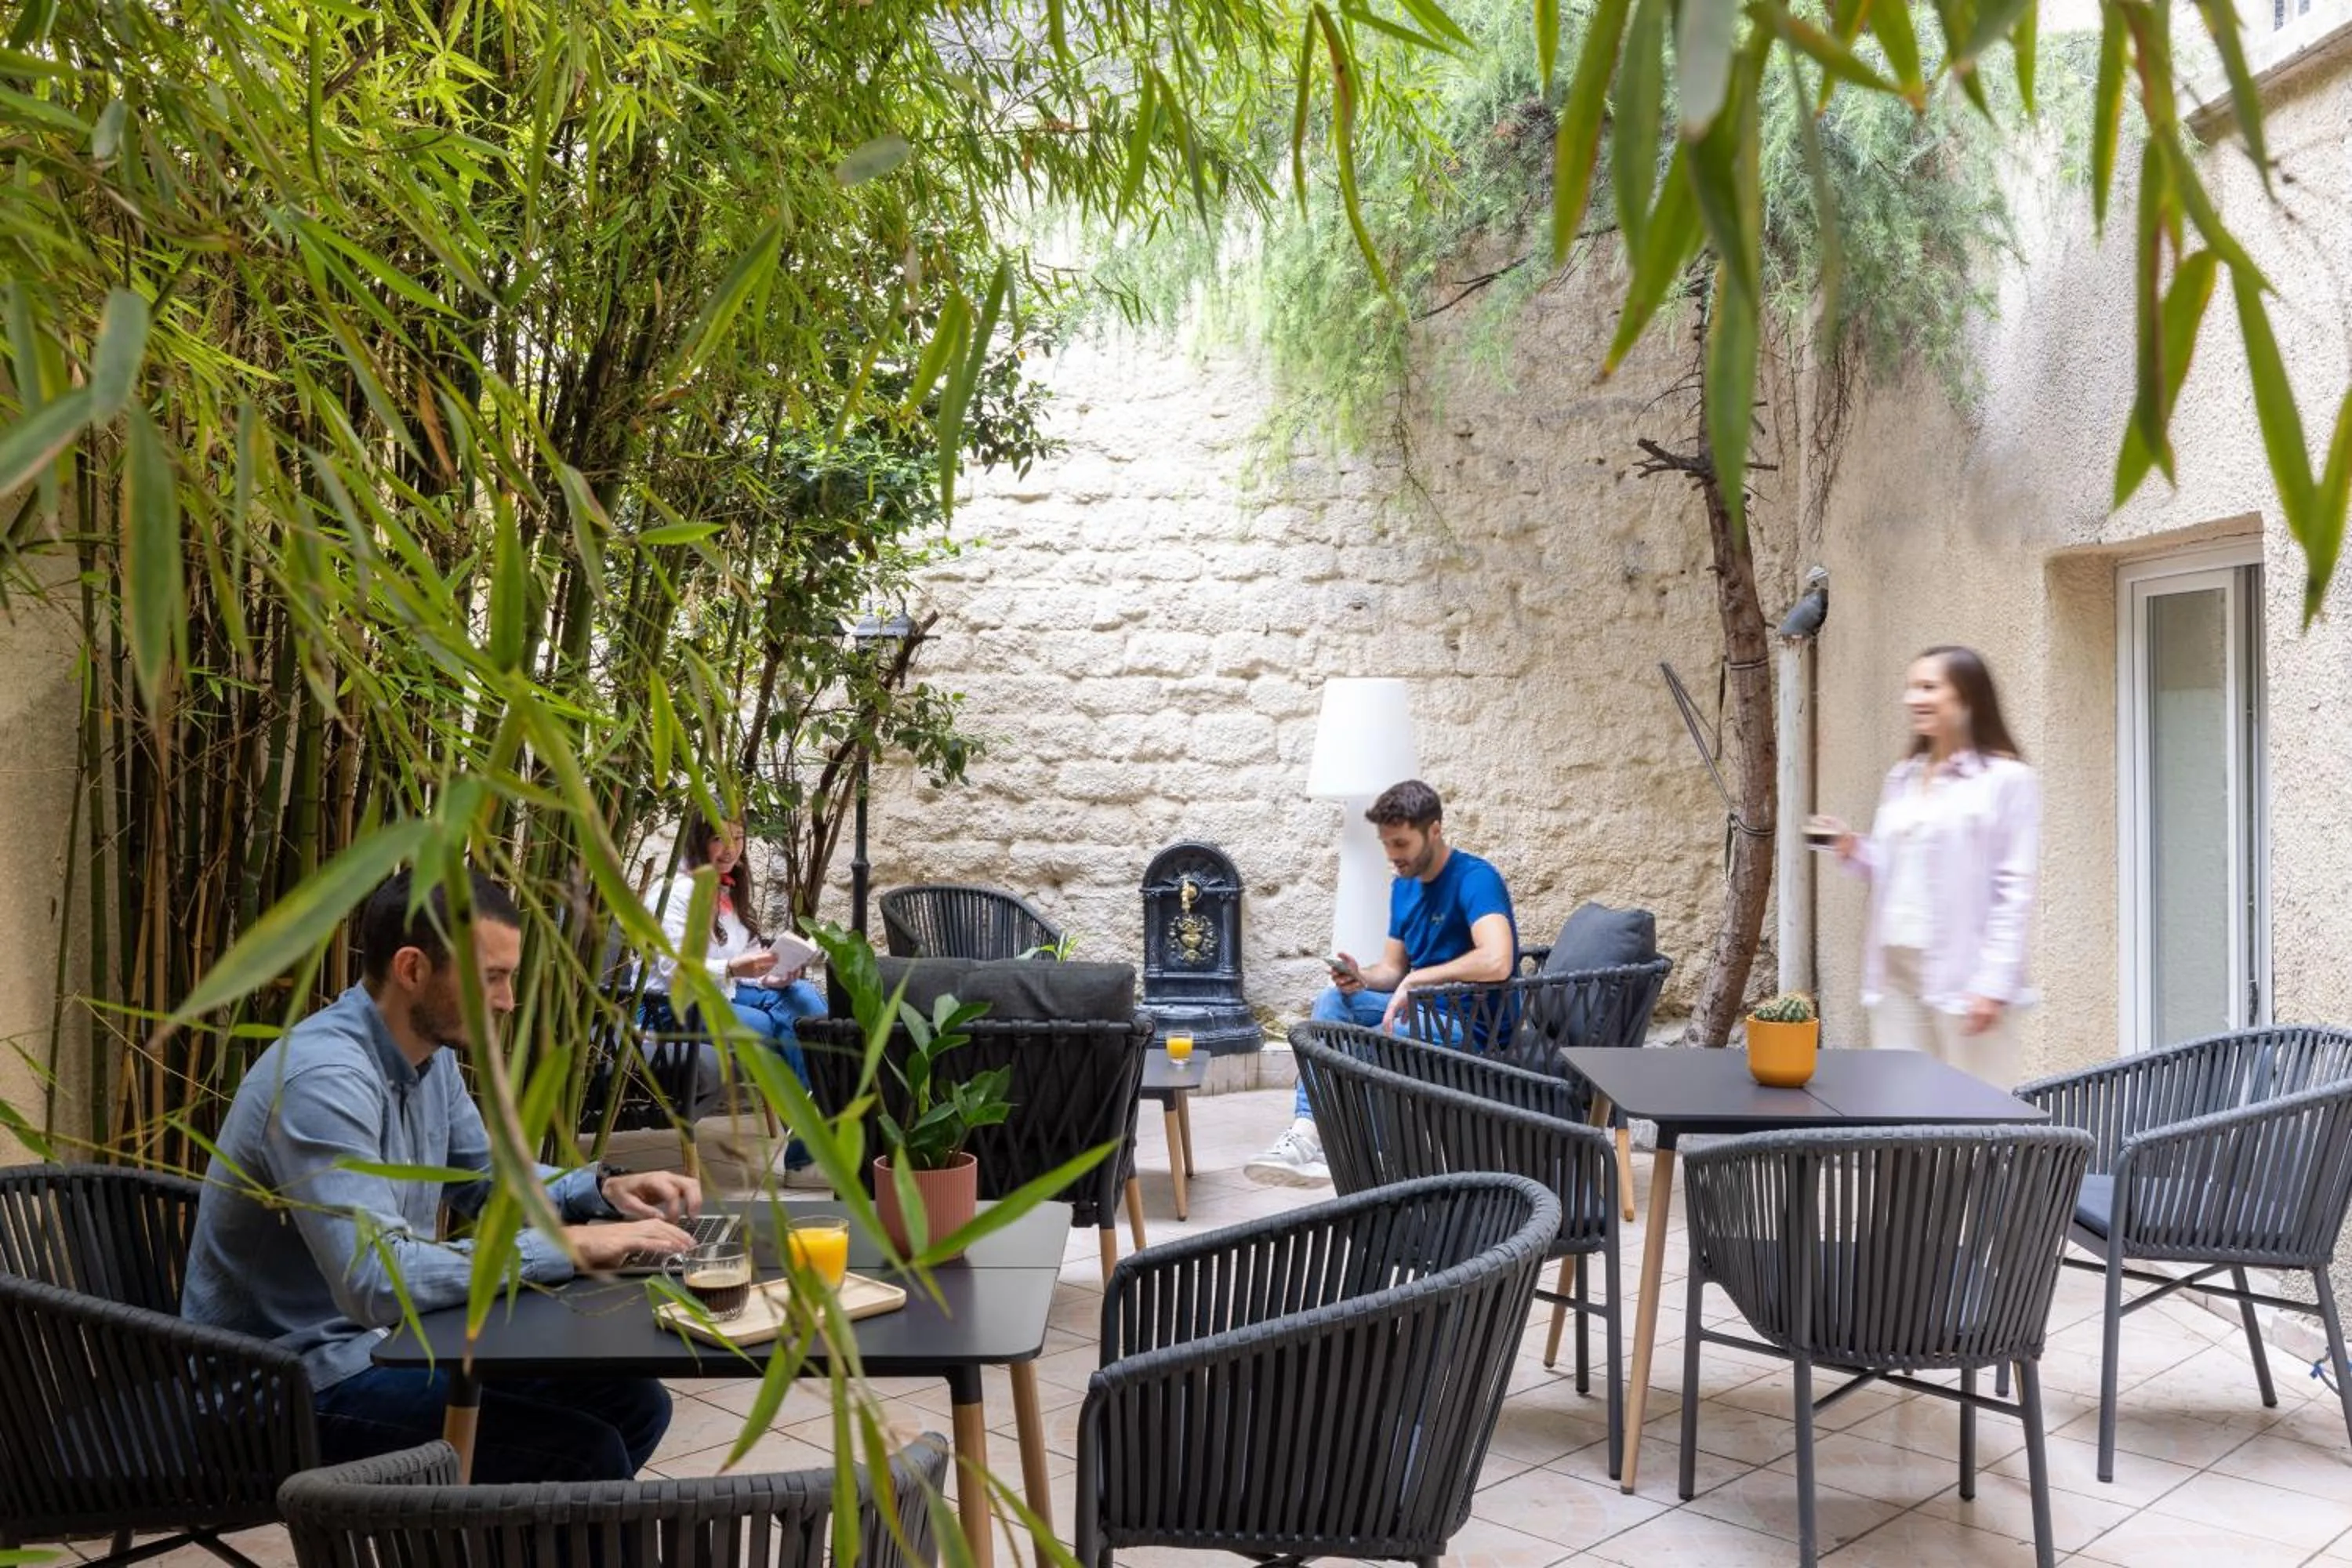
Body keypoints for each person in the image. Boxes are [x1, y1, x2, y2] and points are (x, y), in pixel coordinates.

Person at [182, 867, 701, 1482]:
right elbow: (377, 1281)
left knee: (634, 1403)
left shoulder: (427, 1061)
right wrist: (566, 1246)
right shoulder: (322, 1081)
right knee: (576, 1452)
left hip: (382, 1347)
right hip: (288, 1388)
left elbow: (486, 1182)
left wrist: (600, 1189)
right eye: (493, 978)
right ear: (412, 970)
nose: (509, 1001)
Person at [1245, 779, 1518, 1187]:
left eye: (1402, 844)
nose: (1393, 855)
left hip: (1472, 1024)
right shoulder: (1404, 886)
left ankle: (1367, 1160)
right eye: (1386, 844)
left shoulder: (1475, 879)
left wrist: (1419, 977)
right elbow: (1391, 970)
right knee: (1330, 1006)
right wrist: (1361, 977)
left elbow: (1498, 960)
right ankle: (1307, 1134)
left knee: (1367, 1041)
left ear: (1435, 831)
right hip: (1418, 1010)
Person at [1810, 644, 2040, 1087]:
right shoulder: (1905, 776)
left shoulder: (2007, 781)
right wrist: (1850, 845)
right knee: (1905, 1112)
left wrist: (1993, 982)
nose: (1912, 699)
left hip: (1964, 976)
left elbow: (2014, 888)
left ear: (1967, 697)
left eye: (1928, 687)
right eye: (1911, 687)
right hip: (1895, 974)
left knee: (1977, 1114)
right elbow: (1896, 869)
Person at [644, 815, 828, 1186]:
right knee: (774, 1030)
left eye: (739, 838)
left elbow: (742, 956)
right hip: (674, 1005)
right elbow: (672, 967)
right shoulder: (673, 892)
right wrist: (731, 968)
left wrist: (771, 975)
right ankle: (807, 1158)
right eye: (719, 839)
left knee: (807, 1002)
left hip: (722, 991)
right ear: (697, 838)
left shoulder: (726, 889)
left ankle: (825, 1136)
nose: (731, 849)